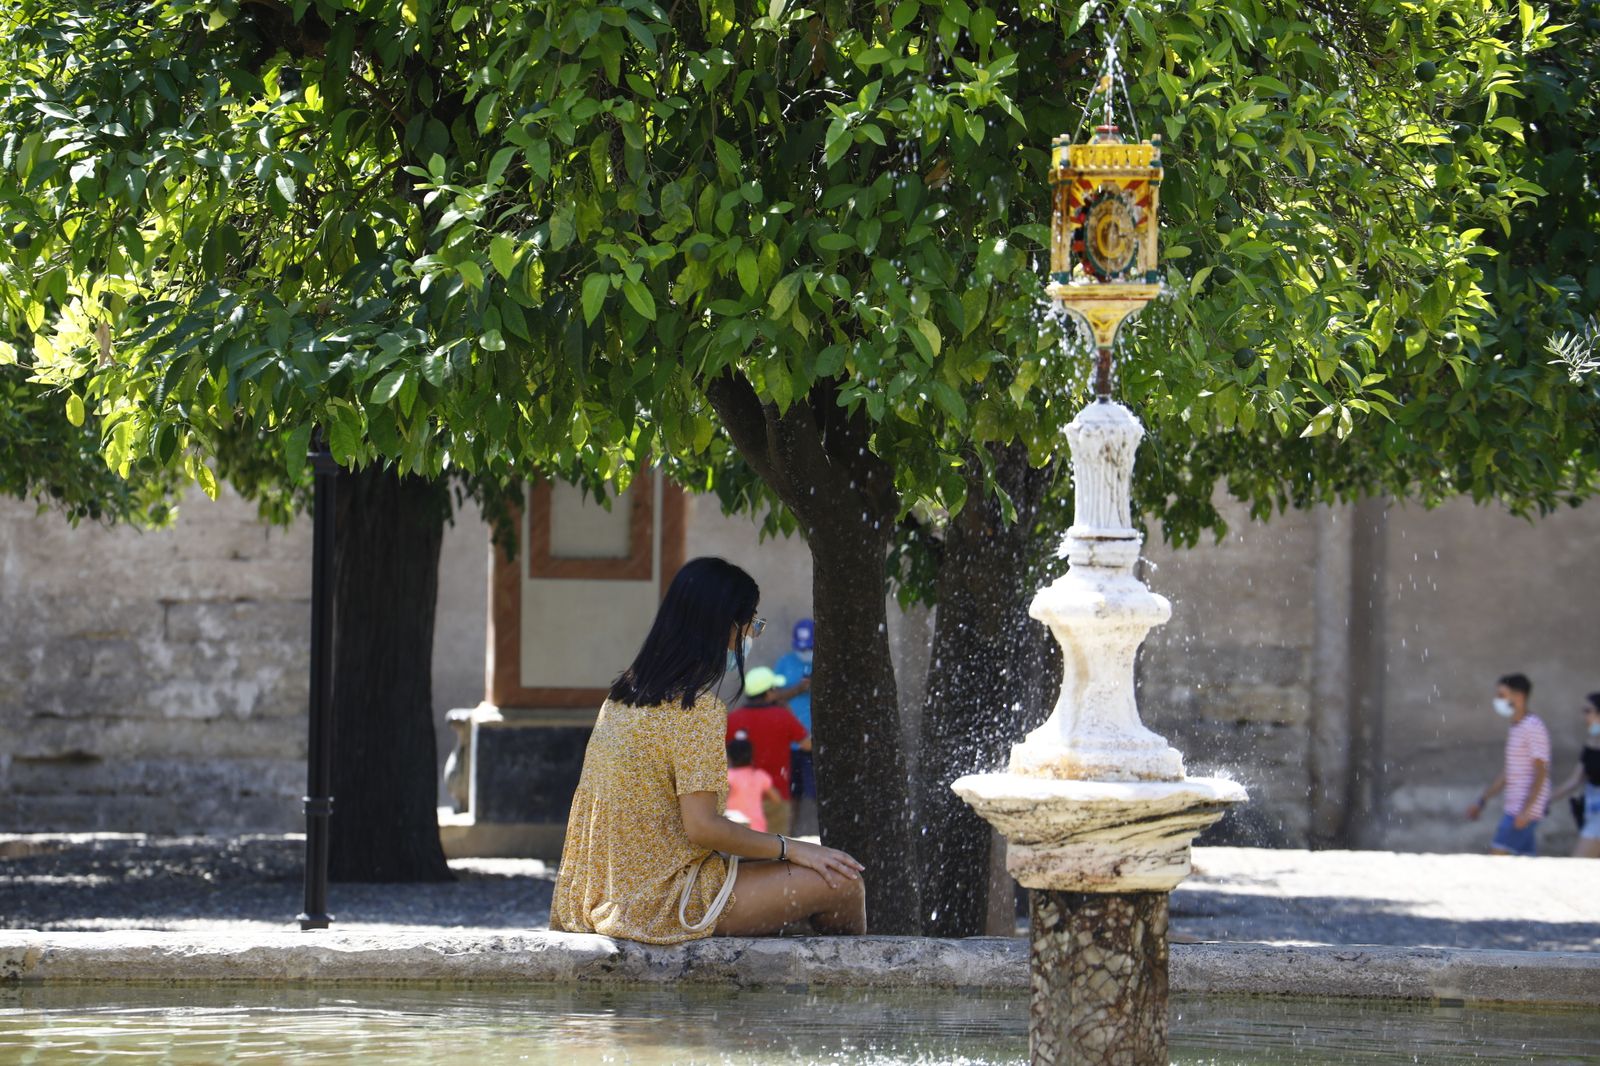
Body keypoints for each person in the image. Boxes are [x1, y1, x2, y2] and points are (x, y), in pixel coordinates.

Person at [550, 557, 865, 944]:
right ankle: (850, 1003)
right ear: (725, 625)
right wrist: (792, 848)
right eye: (752, 623)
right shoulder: (695, 710)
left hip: (599, 896)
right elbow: (702, 827)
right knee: (844, 884)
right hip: (665, 903)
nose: (752, 636)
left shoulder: (619, 701)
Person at [1465, 673, 1551, 856]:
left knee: (1497, 857)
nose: (1498, 701)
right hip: (1516, 808)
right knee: (1526, 864)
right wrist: (1482, 801)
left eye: (1502, 695)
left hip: (1522, 811)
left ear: (1519, 697)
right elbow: (1509, 772)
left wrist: (1526, 811)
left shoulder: (1533, 726)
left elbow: (1541, 771)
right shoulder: (1516, 727)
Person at [726, 667, 810, 837]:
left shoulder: (733, 718)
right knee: (775, 850)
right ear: (769, 692)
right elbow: (807, 744)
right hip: (776, 795)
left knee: (742, 852)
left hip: (739, 799)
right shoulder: (782, 715)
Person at [773, 619, 817, 834]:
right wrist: (798, 688)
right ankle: (788, 841)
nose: (805, 652)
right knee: (791, 796)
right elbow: (774, 695)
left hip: (815, 745)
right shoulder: (785, 662)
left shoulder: (823, 662)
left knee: (819, 795)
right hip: (789, 745)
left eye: (809, 648)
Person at [1549, 692, 1600, 859]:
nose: (1584, 716)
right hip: (1592, 812)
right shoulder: (1591, 744)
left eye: (1588, 711)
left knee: (1579, 862)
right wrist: (1545, 801)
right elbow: (1574, 780)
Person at [725, 731, 783, 832]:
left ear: (729, 757)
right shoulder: (760, 775)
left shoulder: (728, 776)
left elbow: (723, 799)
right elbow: (776, 799)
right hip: (757, 827)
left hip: (734, 826)